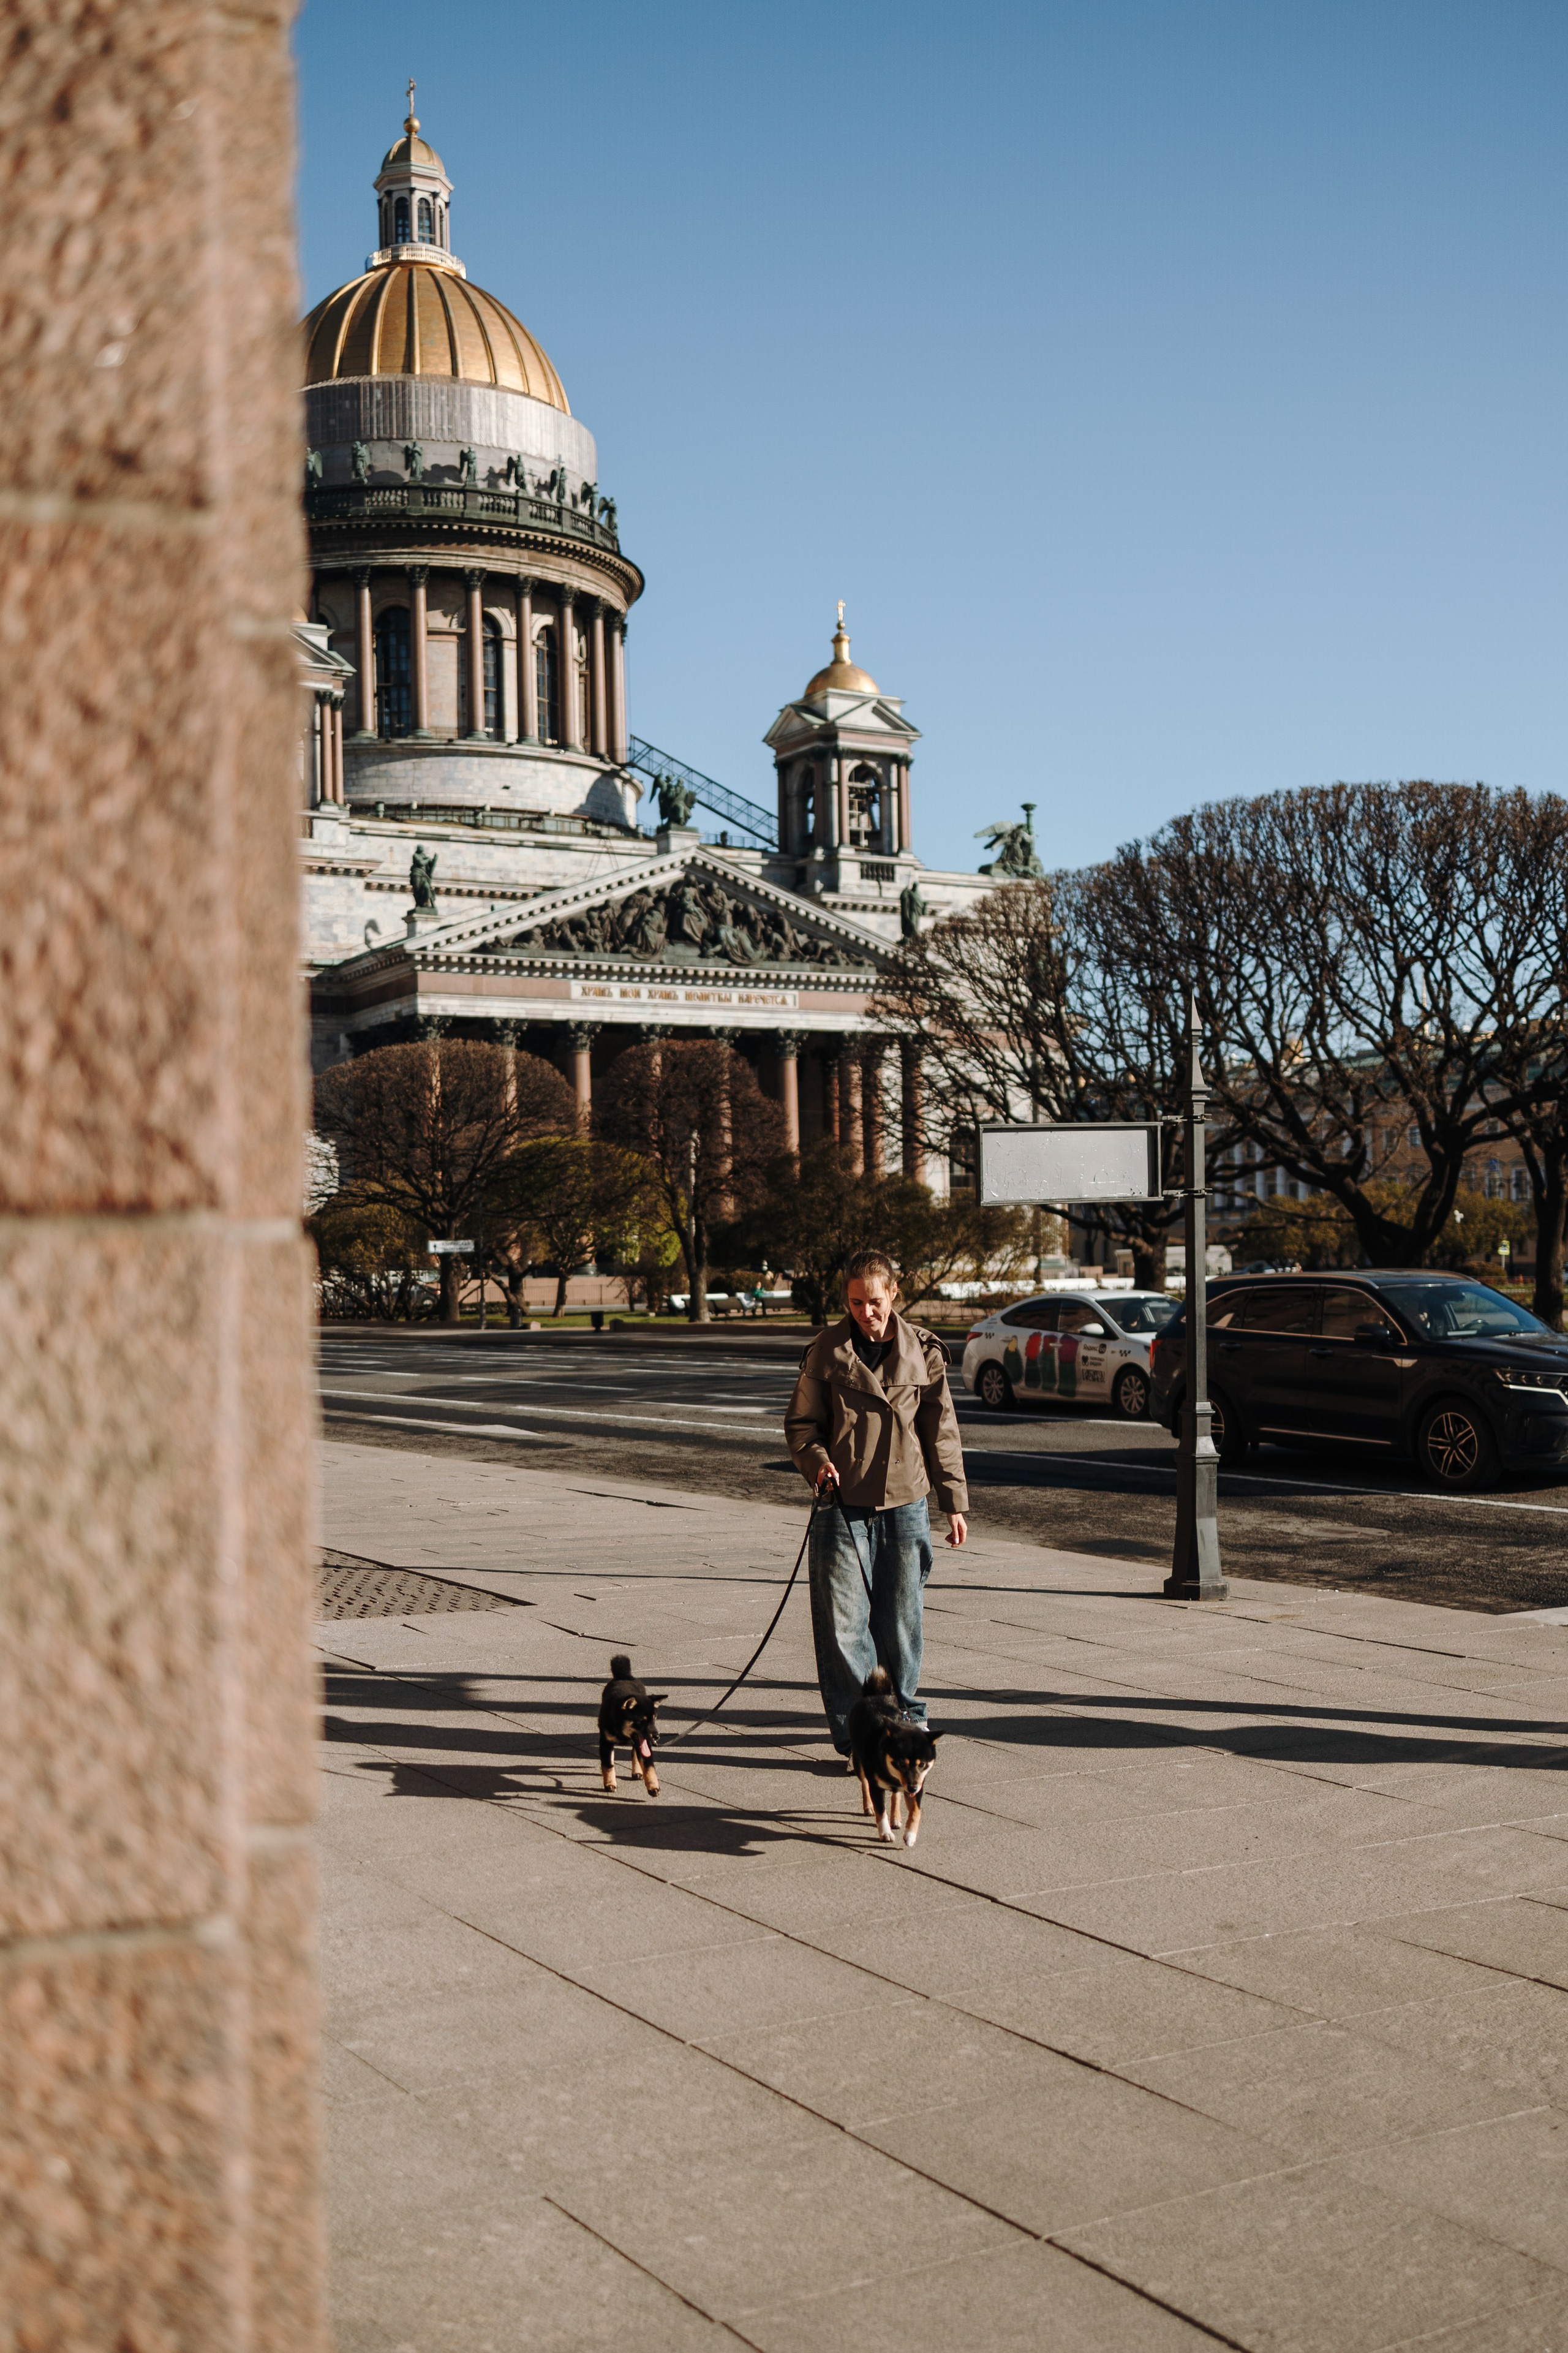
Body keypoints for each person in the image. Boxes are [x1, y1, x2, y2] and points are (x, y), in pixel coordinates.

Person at [784, 1248, 968, 1759]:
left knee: (901, 1619)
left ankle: (906, 1713)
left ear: (895, 1295)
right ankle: (859, 1731)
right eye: (856, 1301)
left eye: (876, 1301)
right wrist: (818, 1462)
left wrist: (954, 1501)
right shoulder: (826, 1350)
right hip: (842, 1504)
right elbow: (802, 1426)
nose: (867, 1311)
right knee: (844, 1623)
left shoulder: (924, 1352)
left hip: (906, 1503)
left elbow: (942, 1431)